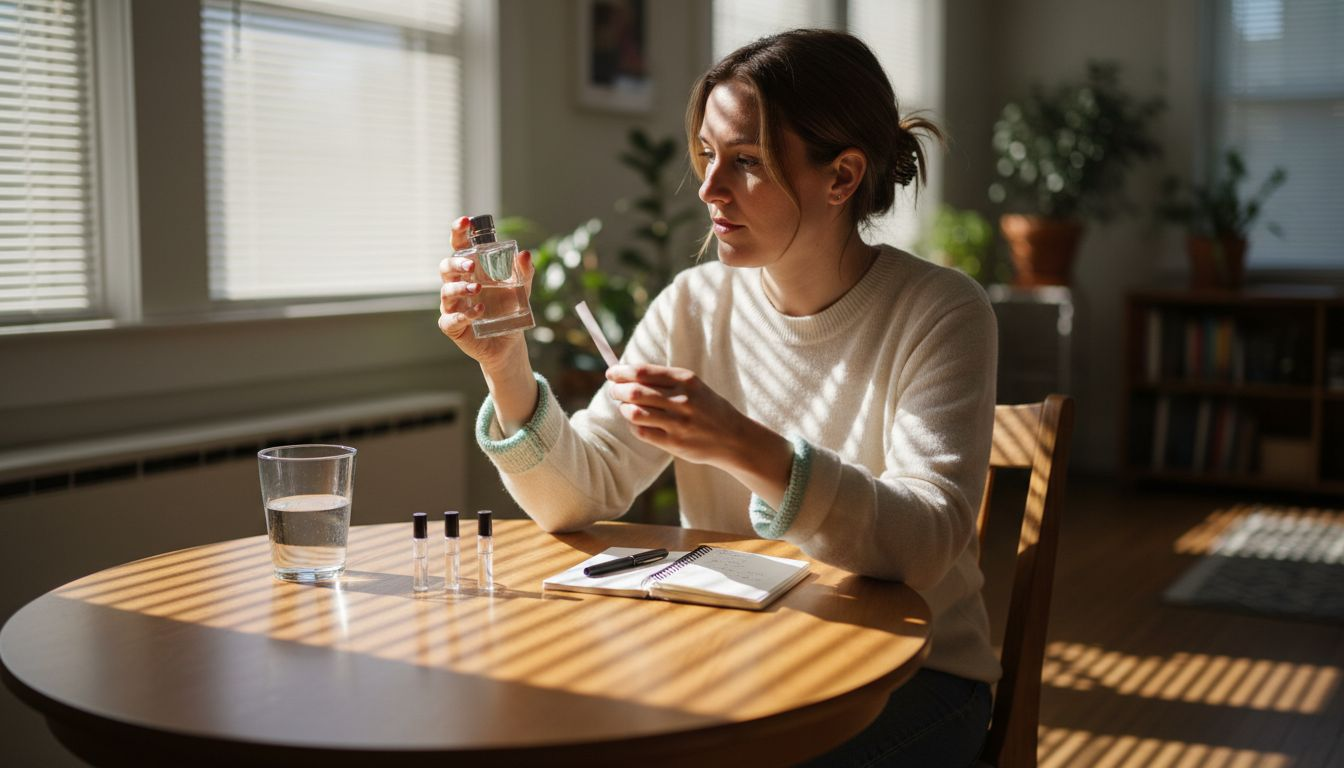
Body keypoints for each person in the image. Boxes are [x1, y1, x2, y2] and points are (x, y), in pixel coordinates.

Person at [438, 29, 997, 767]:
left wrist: (743, 445)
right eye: (707, 155)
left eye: (745, 162)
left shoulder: (941, 312)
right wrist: (505, 365)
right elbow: (582, 494)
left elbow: (924, 542)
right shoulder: (694, 304)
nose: (708, 188)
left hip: (911, 677)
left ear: (842, 176)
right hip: (742, 659)